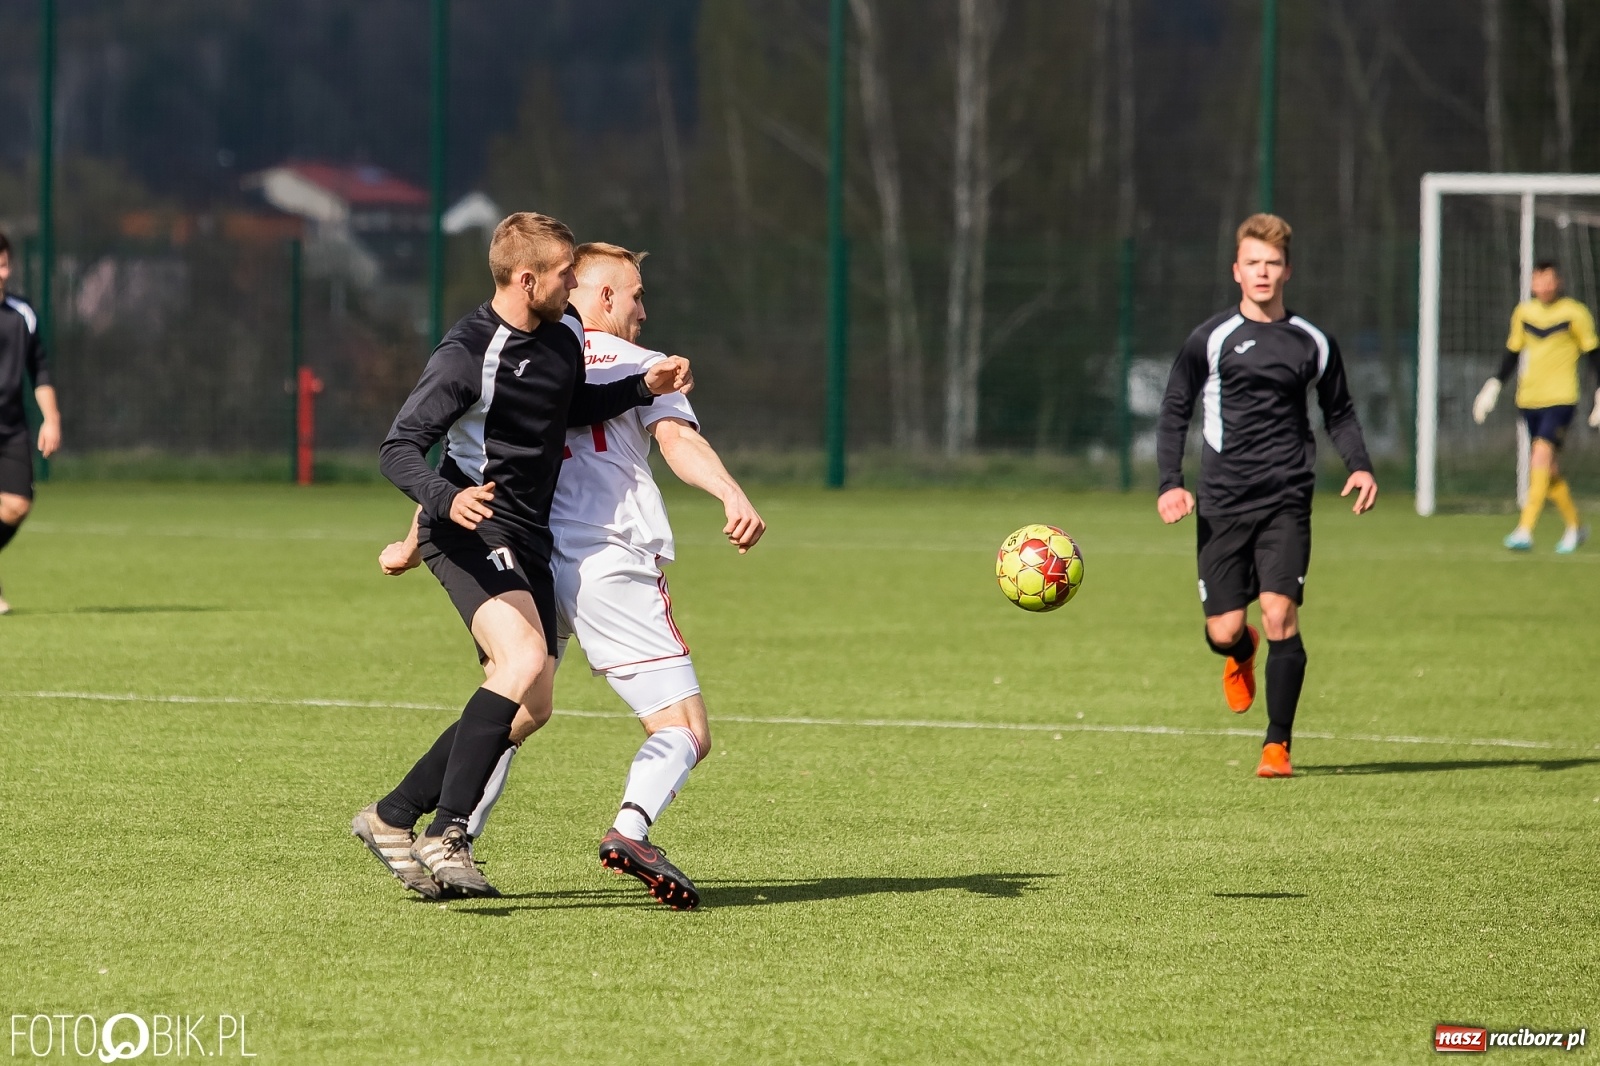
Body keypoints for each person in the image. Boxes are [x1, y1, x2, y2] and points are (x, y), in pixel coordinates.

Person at [375, 242, 765, 910]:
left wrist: (416, 538)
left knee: (519, 705)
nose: (644, 309)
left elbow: (476, 458)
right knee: (686, 729)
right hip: (607, 559)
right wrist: (731, 493)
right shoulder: (639, 362)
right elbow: (678, 441)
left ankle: (441, 829)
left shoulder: (538, 352)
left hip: (529, 556)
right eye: (636, 293)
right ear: (602, 294)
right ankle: (632, 830)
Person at [1155, 214, 1377, 779]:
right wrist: (1170, 485)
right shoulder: (1210, 338)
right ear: (1236, 271)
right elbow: (1175, 409)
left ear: (1287, 270)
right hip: (1223, 502)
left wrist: (1360, 465)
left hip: (1286, 499)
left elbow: (1340, 411)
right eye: (1252, 262)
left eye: (1272, 263)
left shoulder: (1313, 341)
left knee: (1281, 614)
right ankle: (1239, 653)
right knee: (1224, 630)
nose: (1263, 272)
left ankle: (1277, 745)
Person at [1471, 260, 1600, 553]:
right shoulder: (1524, 313)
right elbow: (1512, 353)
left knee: (1540, 460)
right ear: (1531, 284)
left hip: (1561, 398)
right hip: (1529, 399)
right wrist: (1492, 387)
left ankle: (1525, 529)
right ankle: (1576, 527)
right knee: (1549, 469)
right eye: (1538, 281)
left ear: (1559, 282)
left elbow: (1594, 354)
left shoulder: (1574, 313)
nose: (1544, 286)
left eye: (1549, 280)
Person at [0, 232, 63, 616]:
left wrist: (51, 418)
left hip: (11, 427)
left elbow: (39, 370)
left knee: (18, 504)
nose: (0, 272)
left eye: (4, 263)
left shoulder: (22, 314)